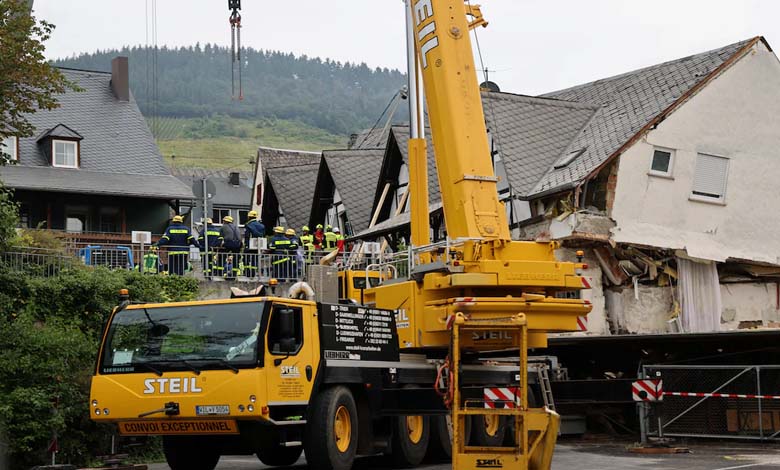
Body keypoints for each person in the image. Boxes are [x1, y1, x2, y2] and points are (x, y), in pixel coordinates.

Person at [243, 210, 265, 278]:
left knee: (246, 259)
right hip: (258, 245)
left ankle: (247, 273)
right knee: (255, 260)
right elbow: (263, 235)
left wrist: (246, 245)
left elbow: (247, 236)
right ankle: (253, 273)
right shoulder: (261, 225)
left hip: (250, 245)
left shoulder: (248, 225)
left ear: (249, 217)